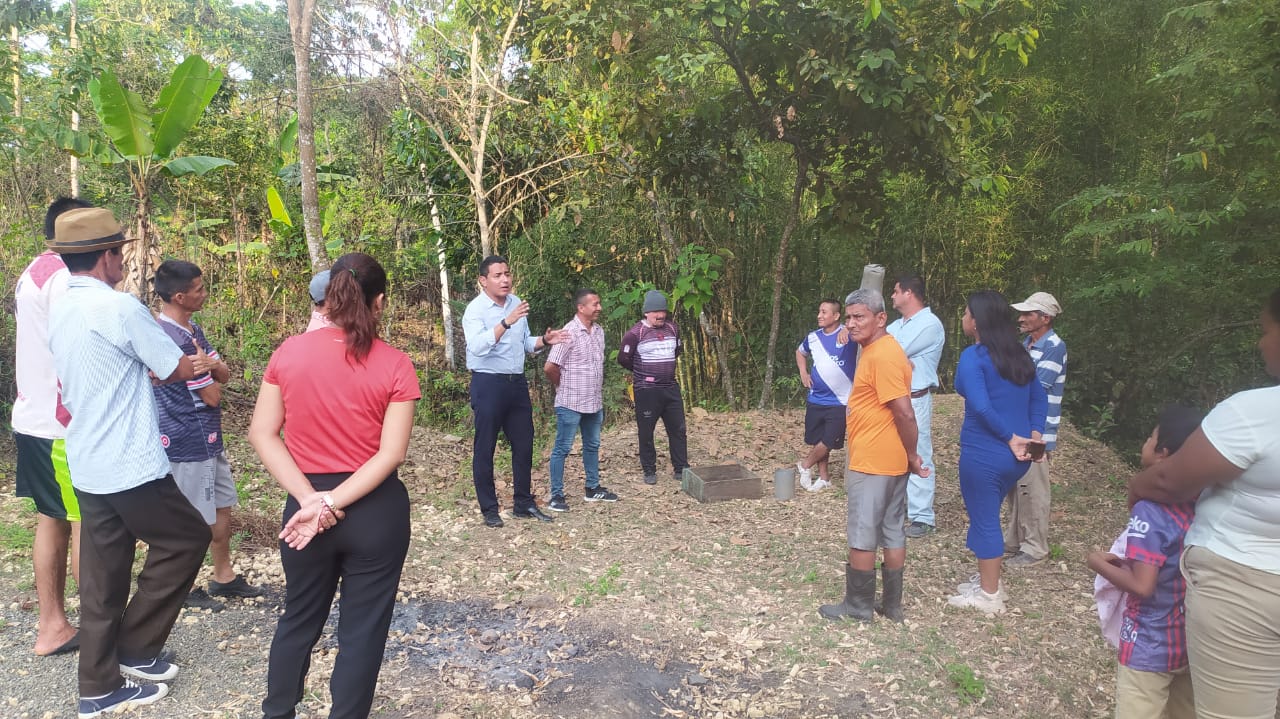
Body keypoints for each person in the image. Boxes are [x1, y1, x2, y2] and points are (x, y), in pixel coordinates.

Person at [47, 207, 207, 717]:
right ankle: (135, 647)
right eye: (120, 253)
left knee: (104, 576)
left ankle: (99, 686)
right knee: (187, 538)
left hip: (88, 457)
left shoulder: (61, 305)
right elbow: (174, 367)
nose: (123, 262)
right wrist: (189, 364)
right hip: (130, 461)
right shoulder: (119, 308)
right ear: (106, 257)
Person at [248, 253, 420, 719]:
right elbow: (391, 454)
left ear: (330, 297)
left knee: (299, 617)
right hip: (374, 511)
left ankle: (277, 713)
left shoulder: (288, 352)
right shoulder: (395, 363)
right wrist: (330, 503)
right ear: (378, 302)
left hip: (304, 510)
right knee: (363, 632)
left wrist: (310, 500)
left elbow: (262, 433)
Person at [1128, 289, 1280, 719]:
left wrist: (1135, 490)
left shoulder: (1256, 412)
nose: (1260, 342)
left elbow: (1169, 481)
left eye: (1266, 330)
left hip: (1245, 588)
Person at [151, 260, 263, 612]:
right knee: (191, 516)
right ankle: (180, 585)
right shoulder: (170, 339)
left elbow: (223, 374)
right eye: (199, 289)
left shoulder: (192, 330)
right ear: (179, 297)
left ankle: (223, 576)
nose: (205, 293)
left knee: (220, 505)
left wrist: (212, 365)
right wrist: (211, 371)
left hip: (209, 436)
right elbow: (213, 395)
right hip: (186, 438)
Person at [12, 197, 90, 657]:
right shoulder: (63, 278)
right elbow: (74, 348)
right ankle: (97, 632)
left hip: (34, 417)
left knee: (53, 519)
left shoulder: (34, 271)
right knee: (87, 523)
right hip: (61, 426)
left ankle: (54, 624)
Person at [1088, 406, 1203, 719]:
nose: (1146, 443)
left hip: (1149, 643)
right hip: (1191, 640)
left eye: (1151, 438)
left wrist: (1096, 561)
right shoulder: (1202, 502)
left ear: (1163, 453)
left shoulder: (1149, 510)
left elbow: (1143, 586)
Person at [819, 289, 925, 624]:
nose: (851, 324)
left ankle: (858, 607)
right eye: (849, 317)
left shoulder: (882, 355)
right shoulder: (878, 349)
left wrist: (914, 454)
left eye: (859, 317)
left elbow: (905, 413)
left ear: (881, 319)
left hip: (875, 460)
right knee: (892, 529)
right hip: (889, 458)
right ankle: (891, 605)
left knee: (863, 533)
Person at [947, 290, 1046, 615]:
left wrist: (1009, 437)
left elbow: (979, 404)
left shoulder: (973, 357)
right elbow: (1039, 398)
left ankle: (990, 595)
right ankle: (988, 579)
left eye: (966, 313)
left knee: (985, 520)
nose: (963, 318)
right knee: (987, 515)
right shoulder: (1019, 355)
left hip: (985, 453)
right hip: (1016, 459)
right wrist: (1033, 436)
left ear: (977, 322)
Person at [462, 255, 566, 527]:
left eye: (507, 273)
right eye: (497, 275)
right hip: (488, 383)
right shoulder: (475, 311)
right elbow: (477, 347)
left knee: (524, 443)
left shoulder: (516, 303)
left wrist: (545, 340)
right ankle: (489, 509)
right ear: (483, 280)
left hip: (516, 383)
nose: (505, 279)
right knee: (485, 447)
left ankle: (523, 503)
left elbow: (525, 344)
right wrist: (505, 322)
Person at [1004, 291, 1067, 568]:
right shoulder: (1026, 345)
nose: (1021, 319)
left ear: (1046, 318)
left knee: (1033, 489)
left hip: (1037, 431)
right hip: (1021, 427)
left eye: (1028, 314)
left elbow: (1035, 386)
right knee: (1017, 487)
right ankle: (1016, 540)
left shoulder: (1054, 346)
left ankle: (1035, 547)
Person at [544, 288, 617, 512]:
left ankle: (592, 488)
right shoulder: (568, 332)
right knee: (563, 448)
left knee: (592, 445)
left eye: (599, 303)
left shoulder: (599, 332)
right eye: (595, 304)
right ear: (581, 307)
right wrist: (562, 386)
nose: (599, 308)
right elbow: (550, 367)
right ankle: (556, 495)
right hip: (570, 402)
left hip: (593, 401)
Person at [886, 275, 946, 537]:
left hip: (915, 398)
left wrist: (895, 357)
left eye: (895, 291)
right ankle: (897, 508)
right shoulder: (897, 324)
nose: (892, 296)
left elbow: (891, 352)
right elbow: (876, 347)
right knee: (893, 452)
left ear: (908, 293)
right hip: (892, 396)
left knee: (918, 451)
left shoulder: (929, 324)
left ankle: (922, 517)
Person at [618, 289, 689, 485]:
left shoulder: (673, 329)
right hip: (647, 390)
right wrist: (642, 372)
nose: (660, 315)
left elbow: (677, 351)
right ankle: (649, 469)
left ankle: (681, 468)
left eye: (663, 311)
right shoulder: (635, 333)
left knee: (678, 429)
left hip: (670, 387)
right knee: (646, 431)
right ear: (646, 313)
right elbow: (623, 358)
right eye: (656, 311)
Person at [795, 298, 857, 492]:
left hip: (841, 400)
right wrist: (803, 373)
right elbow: (800, 352)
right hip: (816, 398)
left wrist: (848, 329)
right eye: (819, 311)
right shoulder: (813, 337)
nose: (819, 316)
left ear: (836, 316)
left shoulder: (850, 335)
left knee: (829, 440)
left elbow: (869, 333)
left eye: (824, 312)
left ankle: (805, 465)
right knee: (819, 438)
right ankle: (824, 478)